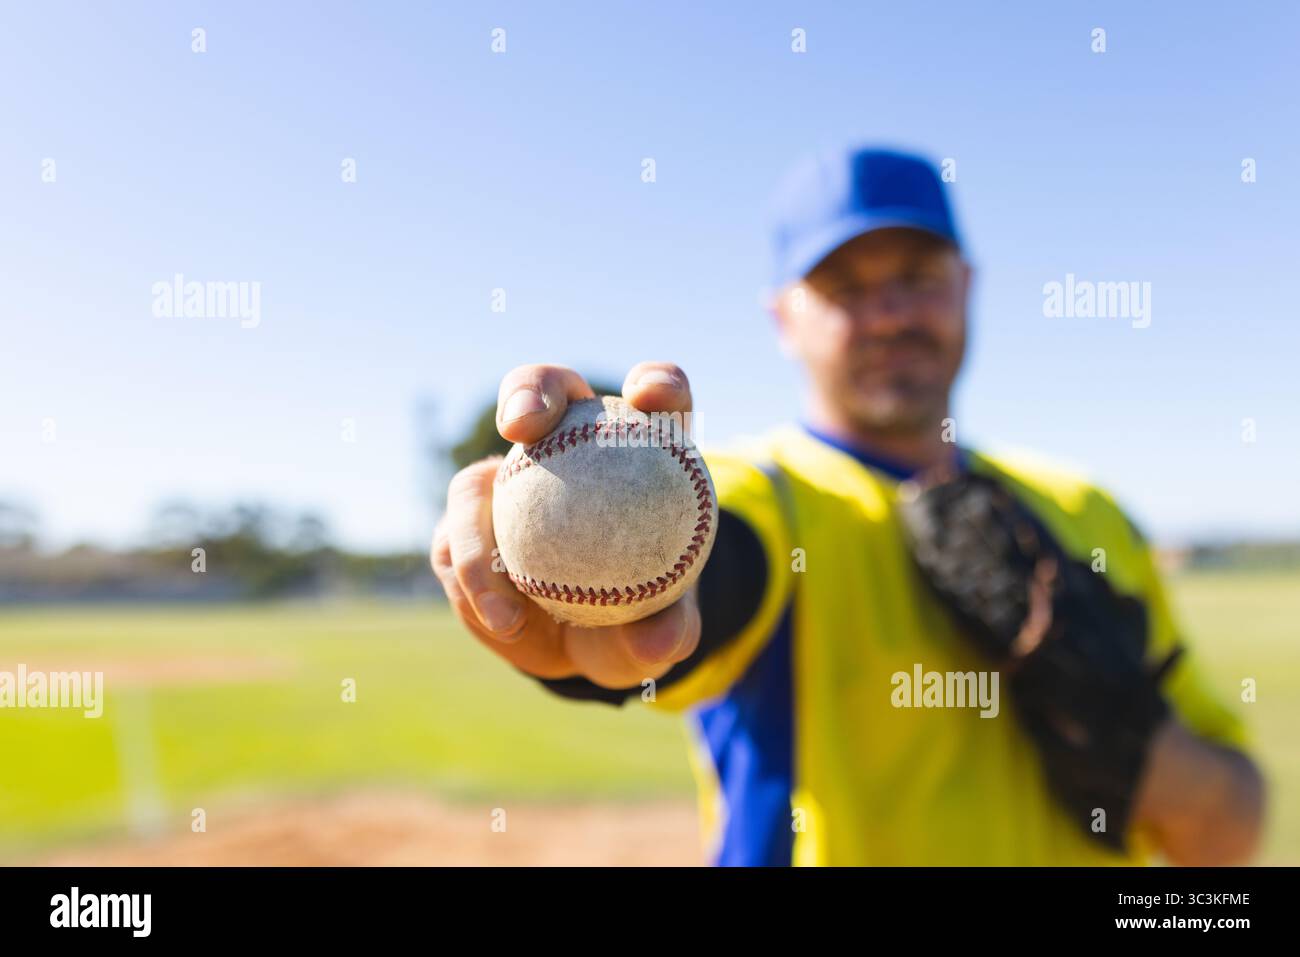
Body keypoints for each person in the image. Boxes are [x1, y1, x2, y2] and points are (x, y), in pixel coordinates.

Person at [431, 146, 1264, 866]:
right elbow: (719, 575)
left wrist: (1123, 731)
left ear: (966, 285)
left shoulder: (1086, 510)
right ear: (784, 318)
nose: (890, 313)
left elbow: (1230, 834)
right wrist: (604, 611)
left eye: (915, 276)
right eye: (845, 287)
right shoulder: (765, 496)